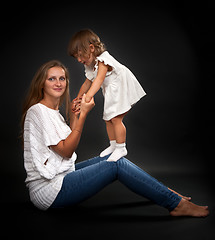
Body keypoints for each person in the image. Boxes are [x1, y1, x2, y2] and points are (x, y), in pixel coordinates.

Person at [21, 59, 209, 217]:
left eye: (62, 78)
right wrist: (84, 115)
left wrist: (75, 116)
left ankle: (167, 193)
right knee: (115, 164)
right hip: (48, 192)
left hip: (61, 177)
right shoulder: (38, 111)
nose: (58, 83)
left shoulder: (52, 112)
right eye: (52, 79)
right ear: (41, 83)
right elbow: (67, 150)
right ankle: (175, 204)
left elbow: (65, 147)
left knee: (111, 157)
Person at [68, 29, 146, 162]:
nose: (79, 60)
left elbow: (98, 80)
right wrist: (79, 97)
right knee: (108, 118)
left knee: (116, 119)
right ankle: (113, 145)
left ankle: (121, 147)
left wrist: (87, 98)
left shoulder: (103, 60)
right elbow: (87, 83)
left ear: (91, 48)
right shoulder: (91, 65)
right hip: (111, 91)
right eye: (77, 57)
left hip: (120, 87)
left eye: (81, 55)